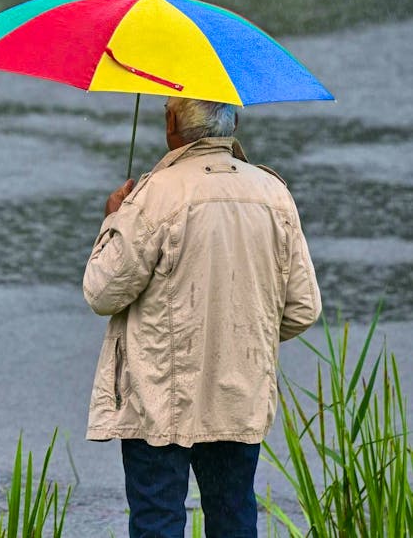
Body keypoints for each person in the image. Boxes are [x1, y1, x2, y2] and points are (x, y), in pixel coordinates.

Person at [81, 97, 322, 538]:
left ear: (172, 121)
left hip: (158, 396)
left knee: (158, 521)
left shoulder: (156, 194)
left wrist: (114, 220)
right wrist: (245, 337)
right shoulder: (274, 195)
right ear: (235, 123)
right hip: (239, 391)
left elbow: (102, 292)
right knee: (233, 519)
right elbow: (303, 307)